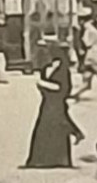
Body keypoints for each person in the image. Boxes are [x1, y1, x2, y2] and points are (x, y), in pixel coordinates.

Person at [23, 39, 81, 169]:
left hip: (57, 102)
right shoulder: (47, 67)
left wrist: (46, 85)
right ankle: (41, 159)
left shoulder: (63, 70)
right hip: (47, 102)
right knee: (46, 128)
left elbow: (64, 88)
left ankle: (58, 158)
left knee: (55, 127)